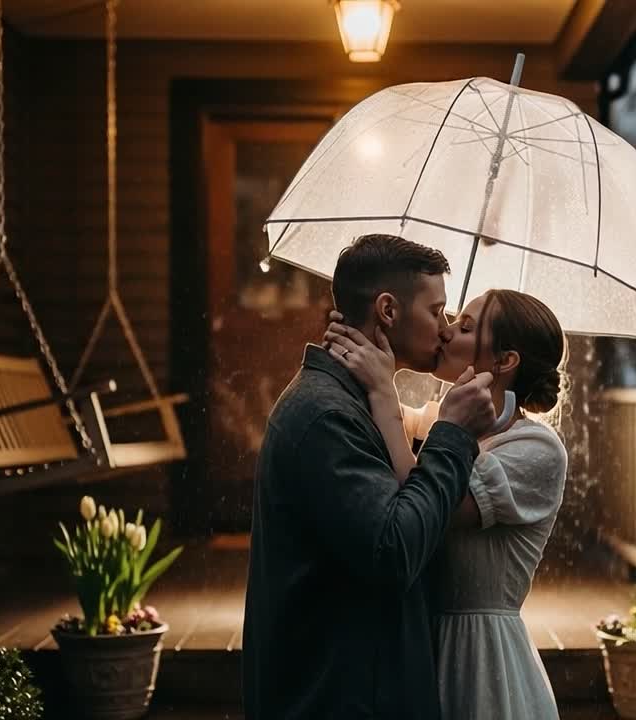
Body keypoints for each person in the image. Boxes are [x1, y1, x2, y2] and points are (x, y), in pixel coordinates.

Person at [242, 234, 497, 720]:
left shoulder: (354, 403)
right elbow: (394, 549)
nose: (446, 330)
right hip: (335, 697)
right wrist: (452, 435)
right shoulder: (326, 416)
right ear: (388, 310)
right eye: (437, 311)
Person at [325, 288, 569, 720]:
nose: (445, 331)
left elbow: (427, 508)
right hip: (419, 642)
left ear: (505, 360)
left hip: (480, 657)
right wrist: (368, 342)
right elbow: (385, 420)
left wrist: (385, 392)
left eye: (465, 327)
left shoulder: (535, 448)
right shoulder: (438, 419)